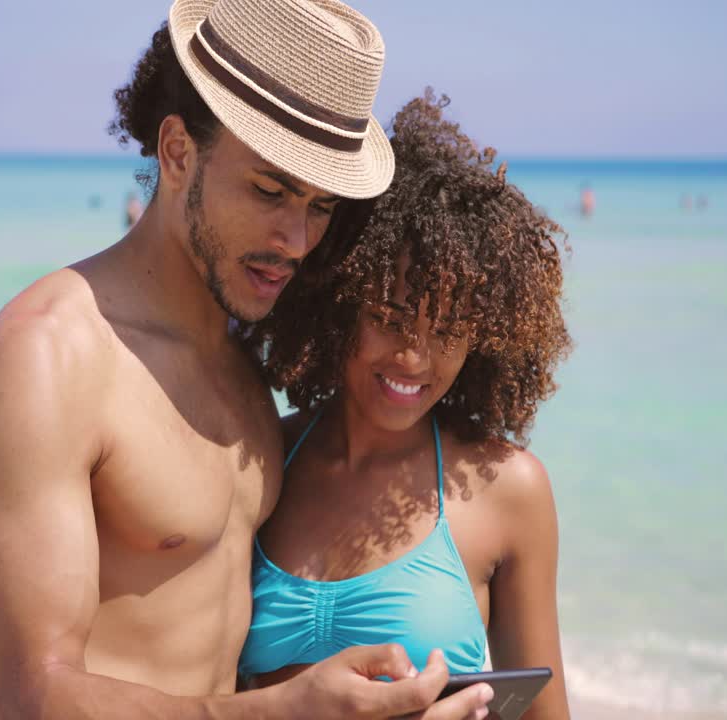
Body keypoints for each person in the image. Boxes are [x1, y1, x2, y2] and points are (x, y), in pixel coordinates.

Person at [0, 1, 491, 718]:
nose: (297, 240)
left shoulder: (247, 358)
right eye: (269, 190)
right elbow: (34, 696)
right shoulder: (50, 355)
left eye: (322, 206)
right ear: (177, 153)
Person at [239, 93, 574, 719]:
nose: (414, 359)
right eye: (389, 318)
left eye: (447, 330)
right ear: (338, 303)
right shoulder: (264, 459)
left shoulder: (508, 489)